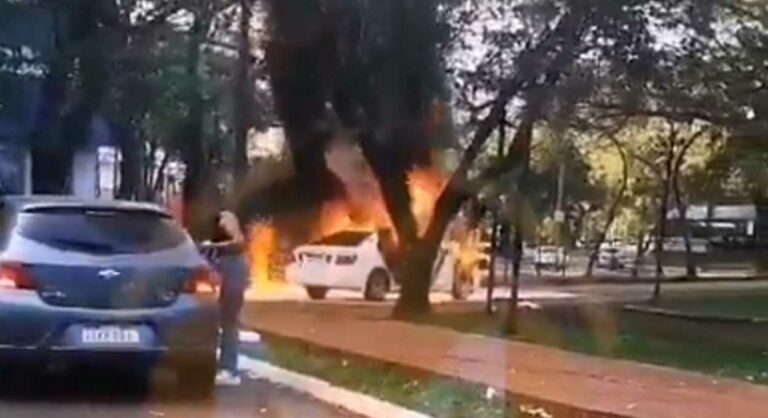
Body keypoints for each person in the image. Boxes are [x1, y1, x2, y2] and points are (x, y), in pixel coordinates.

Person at [201, 209, 249, 386]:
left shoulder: (229, 249)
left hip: (231, 277)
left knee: (228, 323)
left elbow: (236, 243)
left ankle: (228, 368)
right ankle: (224, 367)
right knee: (224, 324)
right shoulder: (217, 249)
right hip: (226, 275)